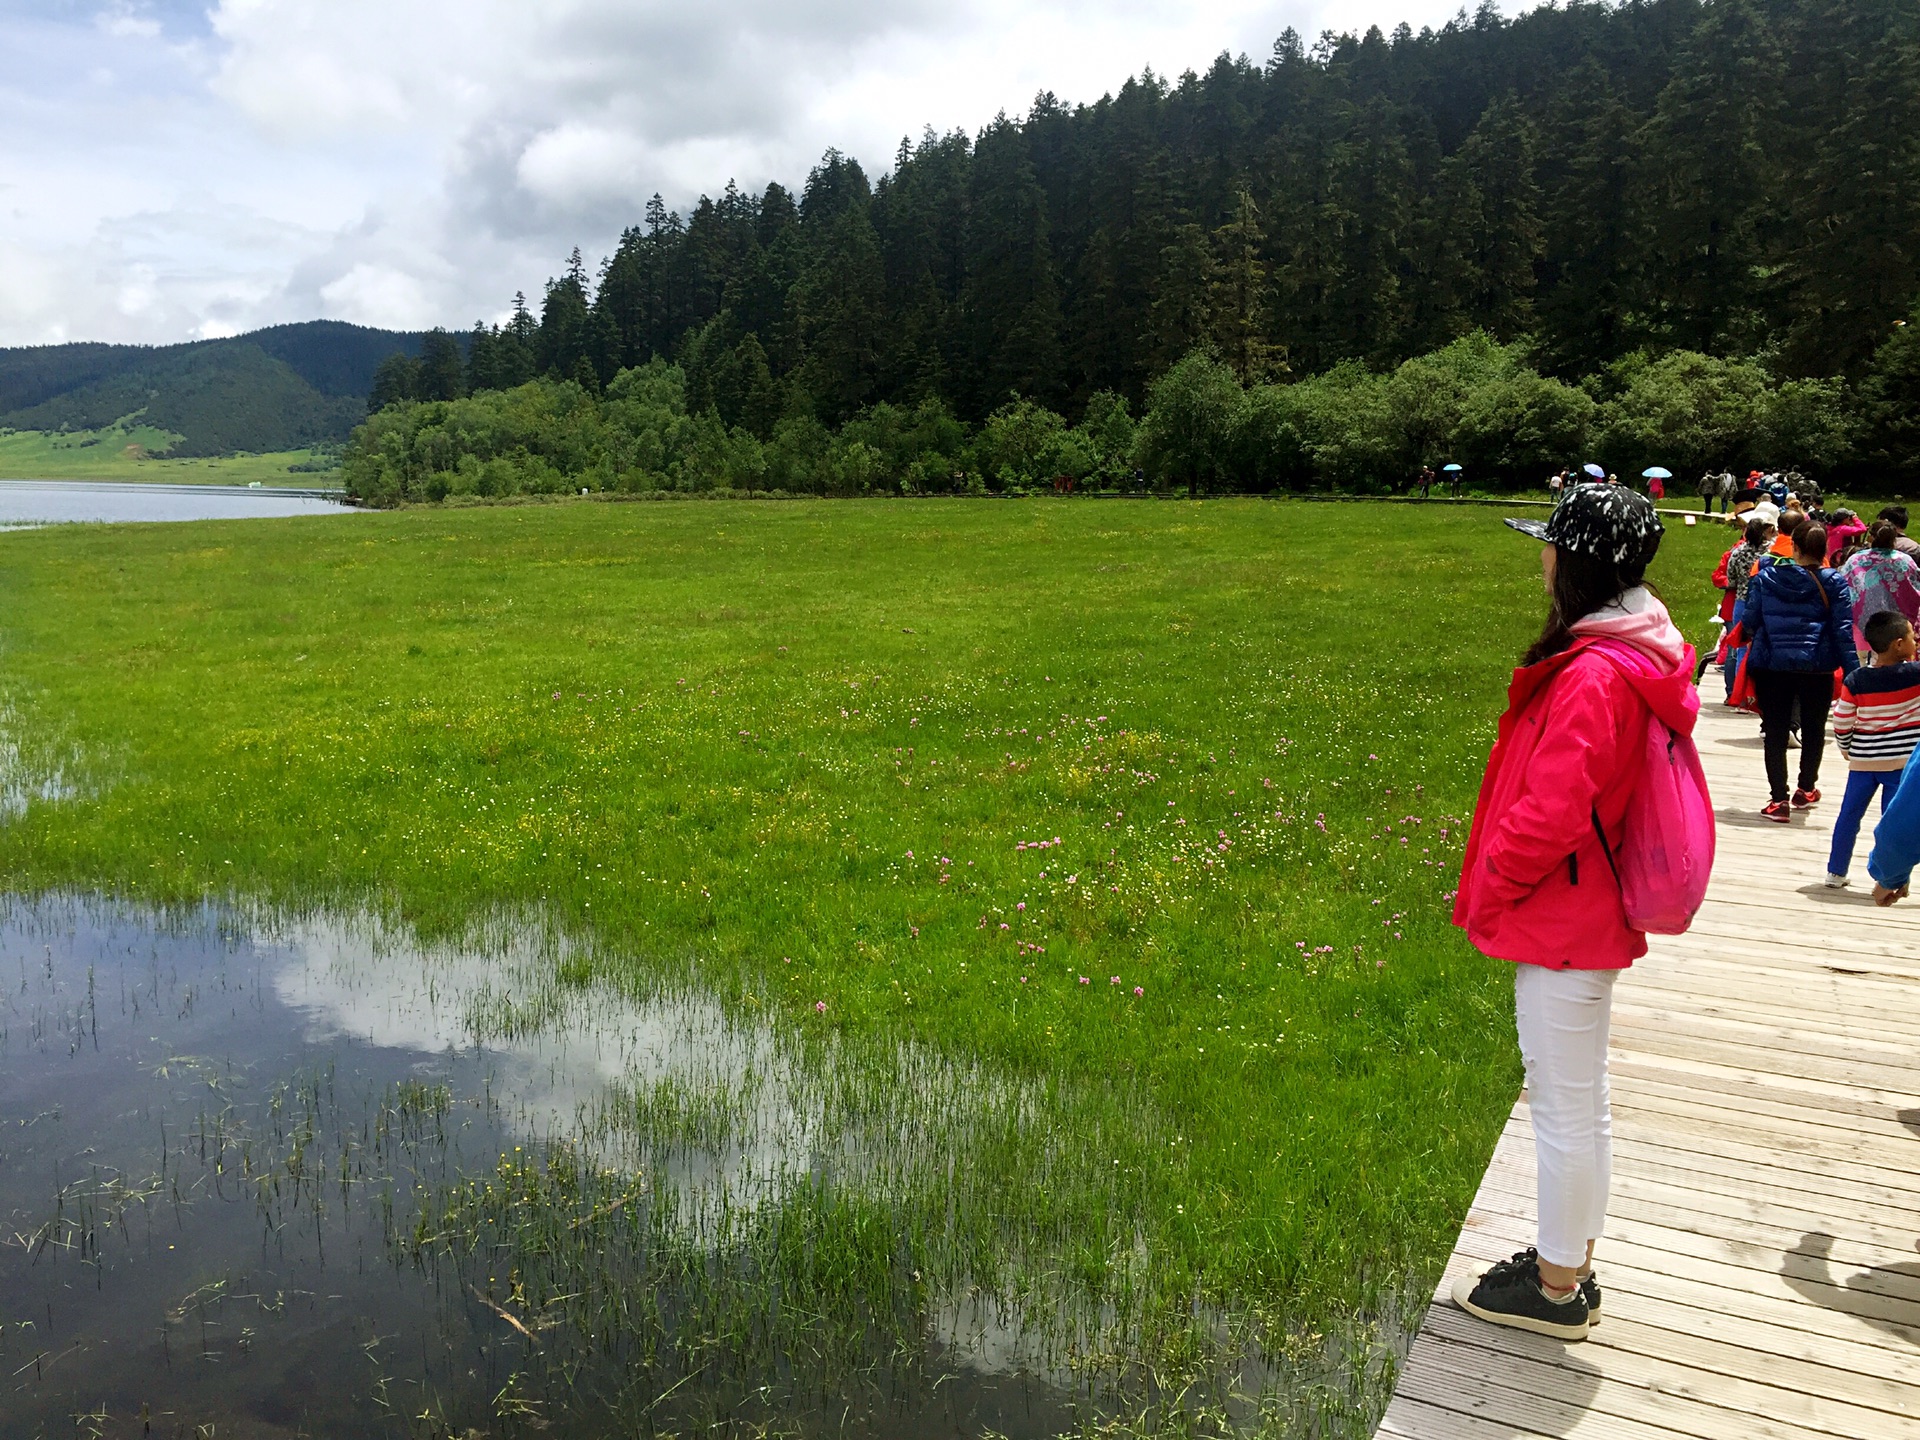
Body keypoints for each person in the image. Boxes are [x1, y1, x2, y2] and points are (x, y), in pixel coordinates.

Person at [1451, 484, 1690, 1342]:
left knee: (1562, 1105)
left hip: (1564, 915)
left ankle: (1553, 1289)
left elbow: (1552, 812)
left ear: (1580, 563)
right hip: (1585, 911)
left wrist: (1488, 886)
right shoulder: (1631, 649)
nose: (1542, 559)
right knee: (1581, 1103)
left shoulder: (1594, 674)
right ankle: (1570, 1262)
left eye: (1550, 546)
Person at [1744, 522, 1853, 821]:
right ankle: (1806, 789)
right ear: (1824, 551)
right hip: (1817, 666)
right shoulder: (1834, 582)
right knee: (1814, 728)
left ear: (1795, 548)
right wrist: (1855, 675)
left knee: (1776, 731)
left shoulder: (1766, 578)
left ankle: (1778, 799)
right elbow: (1843, 631)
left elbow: (1751, 620)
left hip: (1772, 664)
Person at [1827, 611, 1920, 887]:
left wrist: (1847, 747)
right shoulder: (1916, 676)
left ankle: (1835, 871)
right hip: (1901, 764)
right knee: (1891, 820)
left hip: (1864, 763)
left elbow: (1842, 720)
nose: (1916, 642)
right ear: (1898, 644)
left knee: (1849, 816)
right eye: (1913, 638)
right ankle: (1890, 877)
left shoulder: (1856, 680)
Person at [1838, 521, 1920, 662]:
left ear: (1871, 537)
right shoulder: (1905, 561)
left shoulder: (1855, 560)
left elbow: (1843, 591)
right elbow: (1914, 592)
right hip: (1897, 633)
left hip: (1861, 631)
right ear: (1894, 539)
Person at [1721, 517, 1775, 699]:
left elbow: (1731, 579)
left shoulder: (1737, 552)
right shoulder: (1769, 551)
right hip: (1764, 602)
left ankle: (1739, 694)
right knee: (1763, 646)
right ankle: (1759, 694)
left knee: (1740, 648)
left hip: (1741, 600)